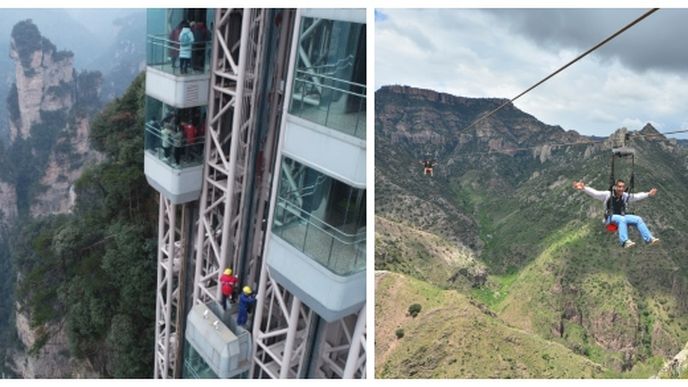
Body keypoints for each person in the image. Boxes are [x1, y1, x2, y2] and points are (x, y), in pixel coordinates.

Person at [573, 179, 659, 248]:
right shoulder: (607, 194)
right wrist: (584, 188)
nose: (621, 189)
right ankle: (624, 242)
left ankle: (649, 239)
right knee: (621, 219)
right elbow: (595, 193)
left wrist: (648, 194)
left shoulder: (624, 196)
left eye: (622, 187)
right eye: (619, 187)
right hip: (610, 218)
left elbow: (636, 196)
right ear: (615, 187)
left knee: (638, 219)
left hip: (622, 217)